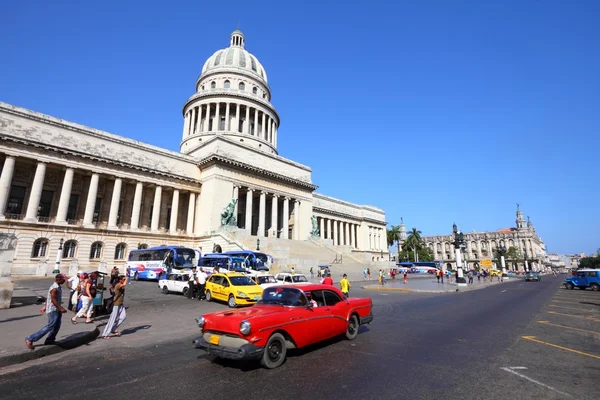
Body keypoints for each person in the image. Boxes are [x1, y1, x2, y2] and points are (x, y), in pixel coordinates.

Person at [25, 274, 68, 349]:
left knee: (57, 326)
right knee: (50, 326)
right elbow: (53, 299)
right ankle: (30, 338)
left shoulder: (58, 287)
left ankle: (50, 340)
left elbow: (48, 299)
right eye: (63, 280)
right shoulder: (54, 288)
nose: (64, 281)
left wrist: (45, 306)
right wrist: (60, 308)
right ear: (59, 279)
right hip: (53, 310)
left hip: (55, 309)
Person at [102, 275, 128, 339]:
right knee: (112, 319)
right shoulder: (118, 285)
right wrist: (127, 278)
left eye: (124, 280)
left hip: (121, 304)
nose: (124, 280)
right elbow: (124, 285)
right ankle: (105, 333)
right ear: (120, 280)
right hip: (116, 304)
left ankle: (113, 329)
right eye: (123, 279)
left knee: (123, 316)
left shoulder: (120, 285)